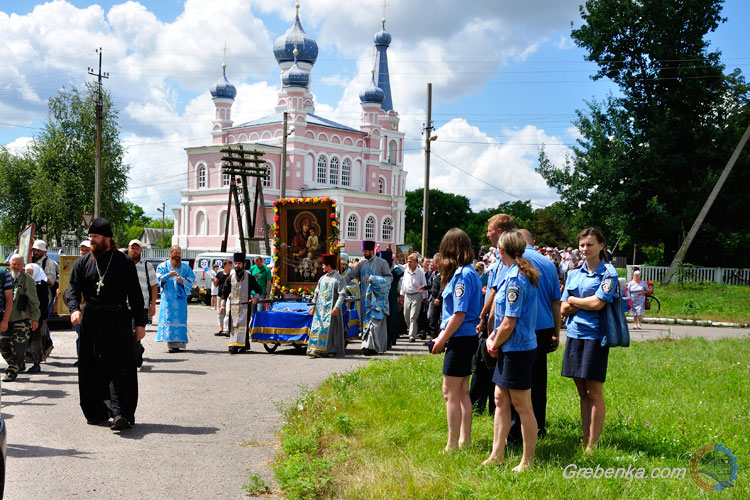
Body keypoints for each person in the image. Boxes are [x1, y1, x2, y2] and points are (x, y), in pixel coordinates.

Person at [65, 218, 144, 430]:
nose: (91, 240)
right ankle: (96, 410)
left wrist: (140, 323)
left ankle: (121, 414)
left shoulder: (124, 262)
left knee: (119, 366)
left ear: (107, 238)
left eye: (95, 237)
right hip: (90, 319)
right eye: (90, 237)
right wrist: (74, 309)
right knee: (91, 366)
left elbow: (135, 294)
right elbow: (72, 289)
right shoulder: (83, 263)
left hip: (117, 318)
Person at [482, 230, 540, 470]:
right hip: (508, 347)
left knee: (522, 404)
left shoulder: (516, 278)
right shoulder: (510, 274)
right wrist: (495, 340)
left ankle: (527, 461)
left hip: (517, 349)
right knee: (499, 399)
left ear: (501, 250)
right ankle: (497, 455)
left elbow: (509, 321)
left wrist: (493, 343)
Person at [560, 227, 618, 453]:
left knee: (594, 392)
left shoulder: (609, 273)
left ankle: (593, 444)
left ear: (601, 246)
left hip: (595, 336)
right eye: (582, 245)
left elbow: (598, 304)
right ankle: (585, 438)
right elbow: (563, 307)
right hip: (575, 335)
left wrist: (574, 299)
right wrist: (579, 301)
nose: (585, 249)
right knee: (581, 391)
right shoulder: (574, 273)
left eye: (590, 244)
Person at [505, 229, 562, 444]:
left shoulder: (514, 262)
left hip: (520, 327)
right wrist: (556, 333)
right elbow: (556, 302)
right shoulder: (548, 263)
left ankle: (516, 431)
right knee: (538, 381)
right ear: (533, 241)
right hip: (545, 327)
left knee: (516, 381)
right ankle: (538, 426)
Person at [431, 228, 481, 453]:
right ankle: (464, 440)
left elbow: (458, 314)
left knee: (450, 391)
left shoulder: (462, 275)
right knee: (461, 391)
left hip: (460, 338)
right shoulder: (470, 272)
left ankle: (452, 444)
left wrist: (442, 338)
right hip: (465, 337)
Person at [471, 213, 515, 416]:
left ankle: (483, 408)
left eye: (489, 231)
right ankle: (485, 408)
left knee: (486, 367)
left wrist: (485, 320)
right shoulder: (499, 260)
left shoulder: (510, 263)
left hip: (500, 326)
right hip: (492, 323)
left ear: (499, 232)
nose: (487, 235)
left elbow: (497, 294)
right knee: (485, 368)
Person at [346, 240, 391, 355]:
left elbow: (389, 278)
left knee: (374, 323)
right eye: (363, 251)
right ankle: (367, 345)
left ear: (372, 251)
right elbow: (351, 275)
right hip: (364, 300)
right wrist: (339, 281)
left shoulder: (382, 263)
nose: (364, 253)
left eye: (365, 251)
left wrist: (376, 280)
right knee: (365, 323)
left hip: (377, 300)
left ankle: (374, 347)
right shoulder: (361, 264)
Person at [2, 254, 40, 382]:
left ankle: (12, 371)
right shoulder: (5, 277)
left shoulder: (27, 280)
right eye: (13, 264)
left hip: (21, 320)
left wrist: (35, 318)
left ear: (23, 266)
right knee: (3, 346)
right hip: (5, 319)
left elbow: (34, 301)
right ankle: (17, 363)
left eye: (18, 264)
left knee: (18, 347)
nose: (16, 266)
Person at [156, 245, 195, 353]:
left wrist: (182, 281)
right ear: (170, 253)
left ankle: (180, 344)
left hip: (180, 299)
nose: (176, 255)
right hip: (168, 299)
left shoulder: (186, 267)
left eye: (178, 253)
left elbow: (191, 279)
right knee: (169, 319)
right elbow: (158, 279)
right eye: (174, 252)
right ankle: (171, 344)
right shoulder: (163, 266)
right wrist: (168, 275)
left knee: (181, 319)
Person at [220, 253, 261, 354]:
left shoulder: (249, 277)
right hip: (233, 306)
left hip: (245, 306)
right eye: (236, 263)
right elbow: (224, 292)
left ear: (244, 264)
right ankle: (233, 345)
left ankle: (243, 345)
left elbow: (259, 290)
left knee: (243, 325)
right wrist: (222, 305)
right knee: (233, 325)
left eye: (239, 263)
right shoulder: (230, 278)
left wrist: (255, 298)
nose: (237, 265)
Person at [307, 254, 347, 358]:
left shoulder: (339, 279)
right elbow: (316, 293)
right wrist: (313, 307)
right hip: (320, 310)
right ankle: (316, 349)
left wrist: (337, 307)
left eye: (324, 264)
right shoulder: (322, 279)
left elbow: (342, 294)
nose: (322, 266)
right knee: (318, 328)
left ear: (329, 265)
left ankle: (330, 350)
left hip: (331, 309)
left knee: (331, 330)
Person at [128, 240, 157, 367]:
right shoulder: (124, 265)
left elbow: (154, 286)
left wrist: (153, 305)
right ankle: (137, 351)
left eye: (137, 248)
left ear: (141, 250)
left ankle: (135, 355)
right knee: (127, 332)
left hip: (142, 306)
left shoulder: (147, 266)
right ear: (129, 249)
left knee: (137, 331)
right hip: (124, 305)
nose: (134, 250)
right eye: (132, 248)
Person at [31, 239, 57, 359]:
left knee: (42, 321)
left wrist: (36, 274)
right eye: (34, 250)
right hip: (31, 297)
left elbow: (50, 281)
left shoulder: (48, 262)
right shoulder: (30, 260)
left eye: (38, 250)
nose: (36, 252)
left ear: (44, 251)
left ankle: (46, 344)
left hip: (45, 297)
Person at [24, 262, 49, 374]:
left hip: (37, 317)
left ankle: (36, 363)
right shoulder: (24, 282)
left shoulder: (41, 285)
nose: (28, 275)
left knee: (36, 340)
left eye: (31, 273)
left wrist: (37, 318)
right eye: (27, 273)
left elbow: (43, 303)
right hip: (25, 316)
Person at [399, 253, 427, 343]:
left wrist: (424, 297)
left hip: (416, 295)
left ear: (415, 262)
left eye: (410, 262)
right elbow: (403, 284)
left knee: (413, 316)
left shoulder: (420, 272)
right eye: (408, 261)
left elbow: (424, 285)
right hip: (407, 295)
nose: (408, 263)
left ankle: (412, 335)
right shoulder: (406, 270)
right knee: (406, 315)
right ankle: (413, 329)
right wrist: (401, 295)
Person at [382, 248, 403, 349]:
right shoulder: (382, 269)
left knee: (391, 319)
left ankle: (390, 341)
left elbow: (400, 273)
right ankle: (383, 341)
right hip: (383, 296)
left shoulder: (395, 269)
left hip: (392, 296)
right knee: (383, 319)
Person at [213, 259, 232, 336]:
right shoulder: (220, 274)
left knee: (228, 312)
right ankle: (221, 329)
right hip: (220, 295)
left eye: (231, 265)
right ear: (224, 265)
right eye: (228, 265)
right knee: (220, 313)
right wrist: (213, 280)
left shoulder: (232, 274)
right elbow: (216, 284)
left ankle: (227, 329)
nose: (230, 267)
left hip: (229, 296)